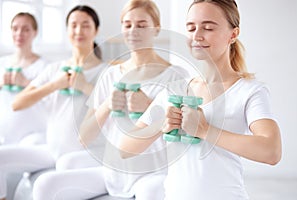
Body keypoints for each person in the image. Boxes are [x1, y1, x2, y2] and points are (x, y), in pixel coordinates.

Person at [119, 0, 282, 199]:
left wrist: (205, 130)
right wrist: (160, 123)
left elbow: (271, 151)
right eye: (191, 27)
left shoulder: (250, 91)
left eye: (208, 27)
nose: (197, 35)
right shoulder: (175, 88)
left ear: (233, 34)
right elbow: (125, 149)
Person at [31, 0, 189, 199]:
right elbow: (84, 138)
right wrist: (107, 105)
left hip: (153, 174)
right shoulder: (111, 74)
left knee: (151, 193)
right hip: (112, 172)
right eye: (127, 24)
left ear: (156, 28)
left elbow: (187, 133)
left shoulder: (176, 75)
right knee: (45, 184)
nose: (134, 31)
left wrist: (150, 107)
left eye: (142, 25)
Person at [0, 5, 105, 200]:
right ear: (67, 30)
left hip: (84, 155)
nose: (78, 31)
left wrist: (84, 87)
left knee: (52, 179)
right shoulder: (55, 69)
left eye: (85, 25)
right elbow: (17, 103)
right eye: (73, 25)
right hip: (52, 149)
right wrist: (54, 85)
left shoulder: (106, 71)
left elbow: (113, 105)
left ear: (96, 30)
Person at [0, 12, 48, 145]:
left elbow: (51, 98)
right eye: (15, 28)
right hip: (3, 136)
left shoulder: (44, 67)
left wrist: (26, 83)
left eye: (26, 29)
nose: (19, 33)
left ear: (35, 32)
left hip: (33, 137)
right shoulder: (2, 63)